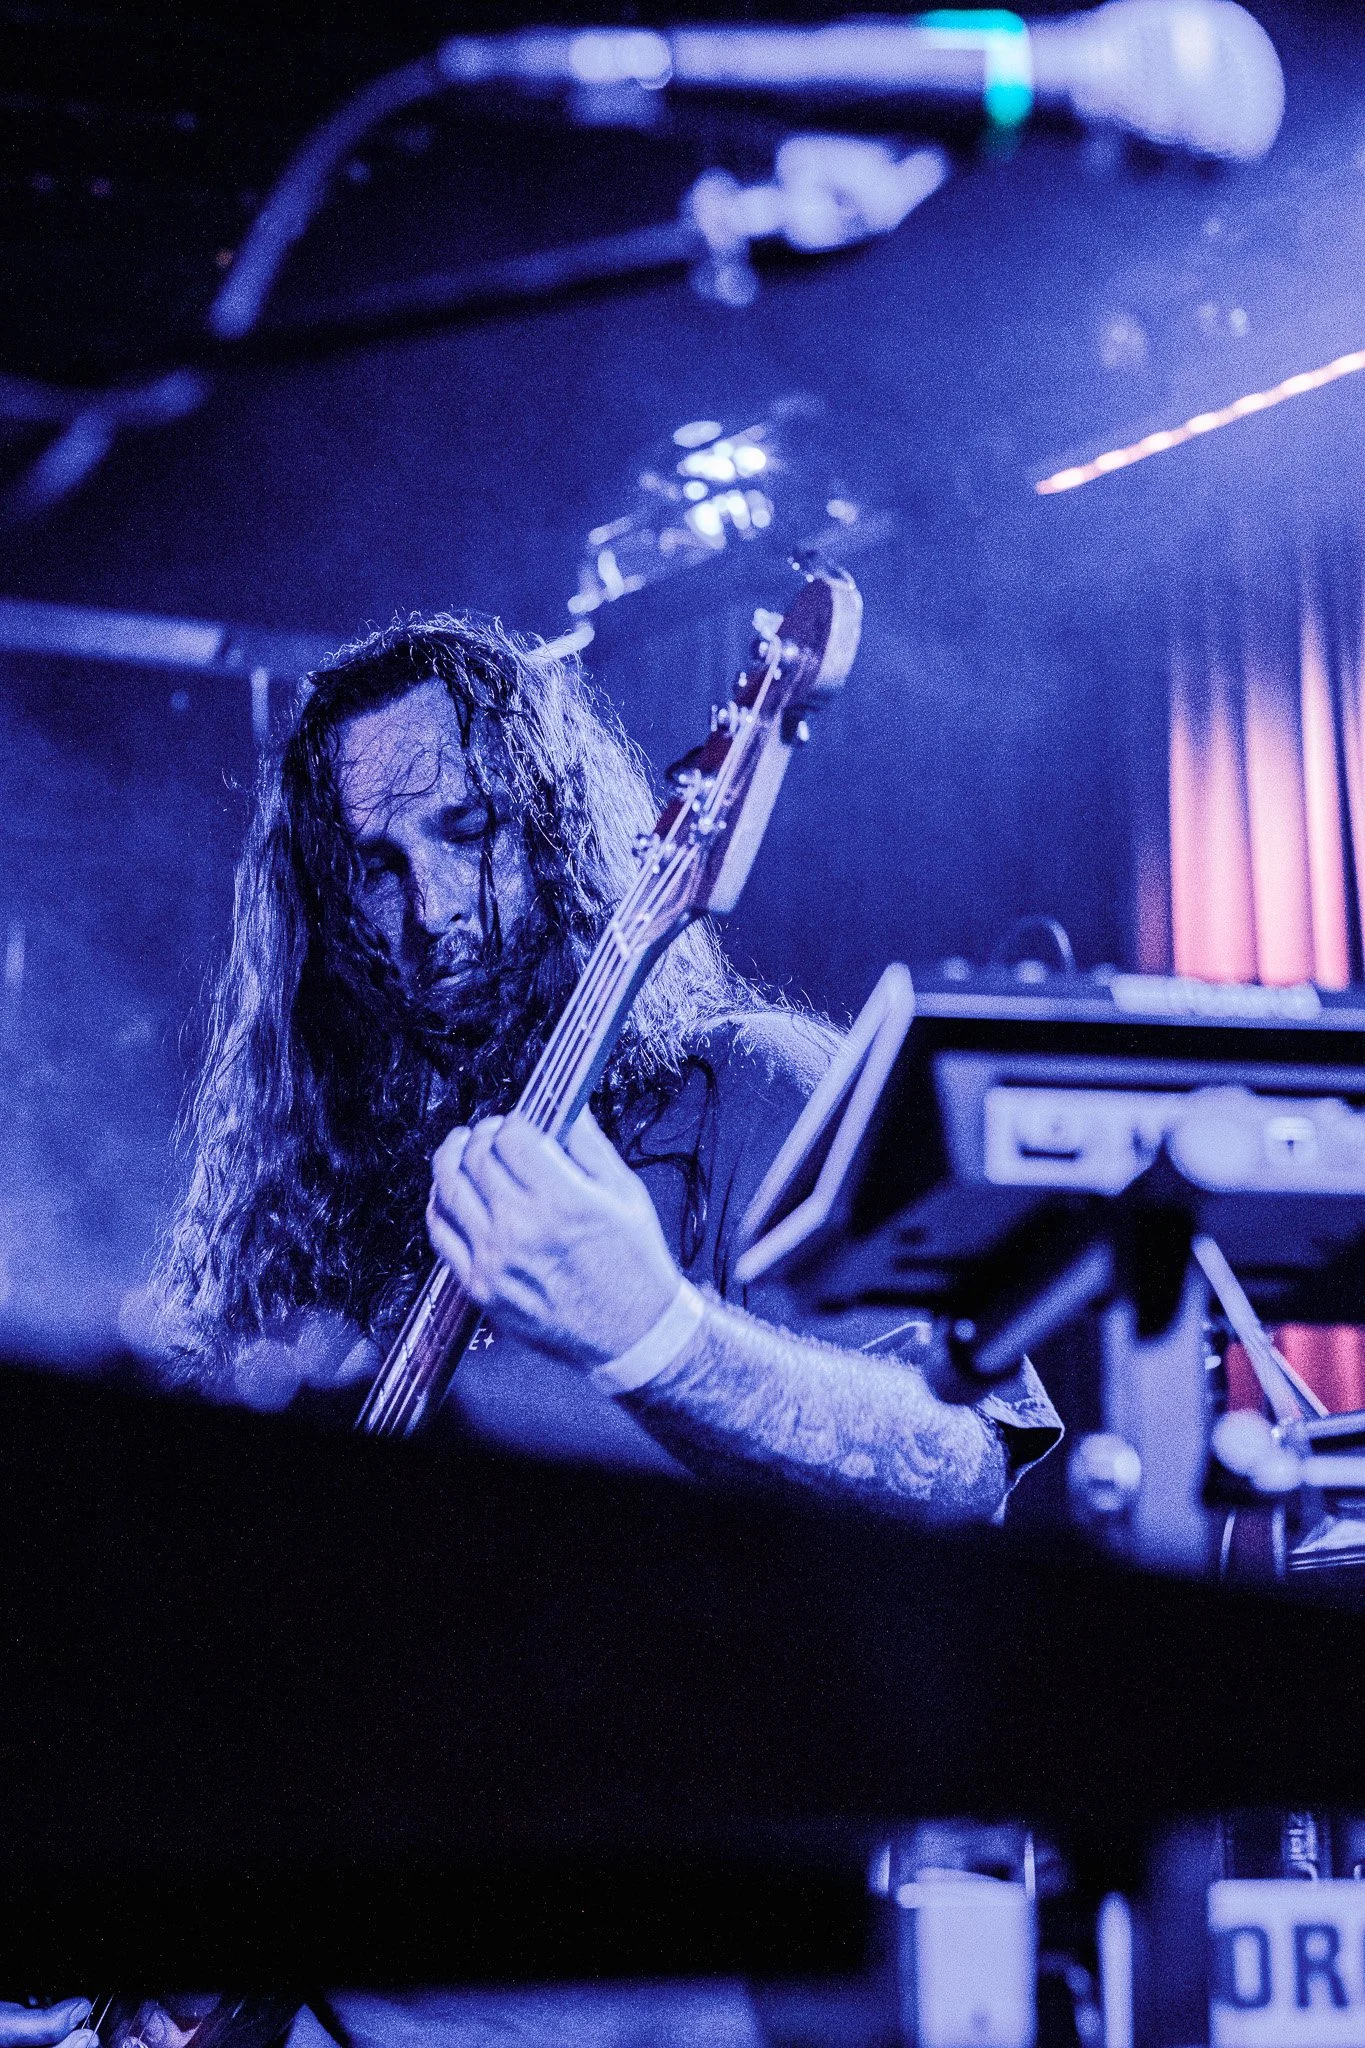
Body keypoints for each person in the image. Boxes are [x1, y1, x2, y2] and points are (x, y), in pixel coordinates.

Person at [150, 611, 1060, 1520]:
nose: (431, 909)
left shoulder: (751, 1087)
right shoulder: (320, 1179)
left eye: (471, 830)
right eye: (380, 868)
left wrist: (656, 1333)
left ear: (558, 828)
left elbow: (960, 1466)